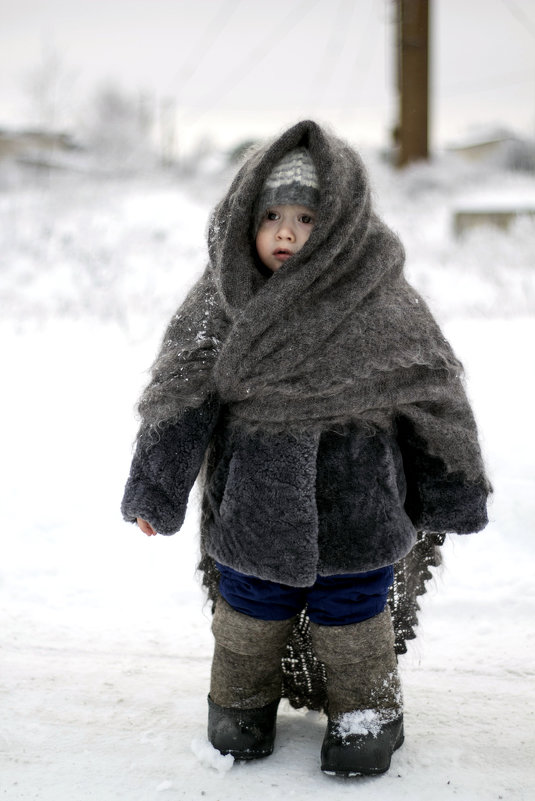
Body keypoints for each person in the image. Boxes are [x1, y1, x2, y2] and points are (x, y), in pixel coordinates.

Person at [121, 120, 490, 777]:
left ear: (340, 221)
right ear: (244, 220)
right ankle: (238, 705)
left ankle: (365, 713)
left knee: (353, 614)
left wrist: (450, 489)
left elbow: (434, 399)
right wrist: (157, 487)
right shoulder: (223, 300)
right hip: (256, 503)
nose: (285, 233)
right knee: (247, 611)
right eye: (270, 216)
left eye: (305, 217)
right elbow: (181, 398)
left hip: (359, 500)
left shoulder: (380, 300)